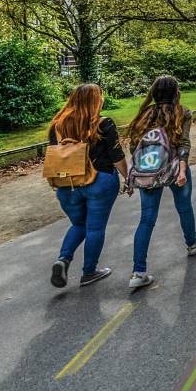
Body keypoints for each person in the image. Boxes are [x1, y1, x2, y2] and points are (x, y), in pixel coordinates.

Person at [127, 76, 196, 290]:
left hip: (149, 171)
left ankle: (138, 271)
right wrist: (183, 168)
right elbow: (184, 143)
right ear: (175, 92)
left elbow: (134, 146)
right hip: (175, 166)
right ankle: (191, 243)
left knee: (146, 219)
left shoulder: (145, 114)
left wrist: (138, 171)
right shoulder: (183, 112)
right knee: (184, 207)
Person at [49, 84, 127, 288]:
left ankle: (63, 259)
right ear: (96, 100)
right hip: (99, 180)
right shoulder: (102, 123)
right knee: (95, 227)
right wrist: (128, 177)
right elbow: (116, 156)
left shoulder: (57, 125)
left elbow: (55, 154)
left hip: (68, 183)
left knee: (78, 224)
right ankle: (89, 271)